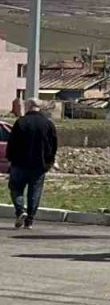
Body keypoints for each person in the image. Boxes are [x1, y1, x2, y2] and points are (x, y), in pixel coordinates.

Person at [7, 99, 58, 230]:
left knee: (15, 188)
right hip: (39, 165)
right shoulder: (48, 124)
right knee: (34, 192)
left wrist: (10, 159)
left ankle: (20, 211)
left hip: (19, 163)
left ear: (29, 106)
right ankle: (29, 220)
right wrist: (49, 162)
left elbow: (12, 143)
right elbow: (53, 145)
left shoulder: (21, 122)